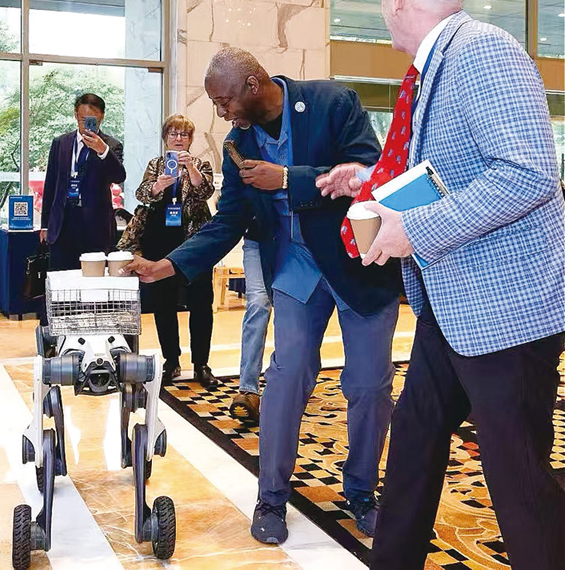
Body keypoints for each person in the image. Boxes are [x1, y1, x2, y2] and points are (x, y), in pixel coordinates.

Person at [318, 0, 565, 570]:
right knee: (413, 449)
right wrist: (367, 179)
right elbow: (450, 169)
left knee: (520, 486)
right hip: (450, 308)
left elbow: (529, 173)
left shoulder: (482, 51)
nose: (383, 9)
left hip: (505, 315)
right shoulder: (438, 63)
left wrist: (417, 230)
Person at [122, 47, 402, 544]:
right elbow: (229, 219)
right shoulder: (239, 142)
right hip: (294, 267)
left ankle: (362, 492)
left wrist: (290, 179)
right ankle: (271, 496)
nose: (222, 112)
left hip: (356, 265)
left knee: (369, 386)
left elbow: (370, 172)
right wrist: (168, 265)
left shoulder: (334, 103)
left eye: (225, 100)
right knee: (287, 376)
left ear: (253, 85)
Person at [118, 115, 218, 388]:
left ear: (190, 139)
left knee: (201, 303)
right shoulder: (156, 164)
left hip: (194, 241)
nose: (178, 139)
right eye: (173, 134)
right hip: (161, 239)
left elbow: (205, 192)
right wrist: (158, 185)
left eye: (183, 134)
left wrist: (191, 168)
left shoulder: (201, 164)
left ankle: (201, 363)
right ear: (165, 138)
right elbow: (142, 194)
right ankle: (171, 360)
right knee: (163, 303)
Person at [39, 93, 125, 269]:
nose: (86, 124)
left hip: (95, 226)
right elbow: (51, 184)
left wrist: (102, 151)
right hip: (63, 223)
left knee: (93, 278)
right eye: (82, 119)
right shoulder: (61, 143)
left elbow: (118, 177)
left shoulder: (111, 145)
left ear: (101, 117)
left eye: (92, 120)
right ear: (75, 115)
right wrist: (45, 225)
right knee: (60, 277)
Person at [229, 224, 272, 423]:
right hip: (257, 238)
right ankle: (248, 390)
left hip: (296, 241)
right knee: (258, 303)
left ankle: (286, 381)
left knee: (292, 310)